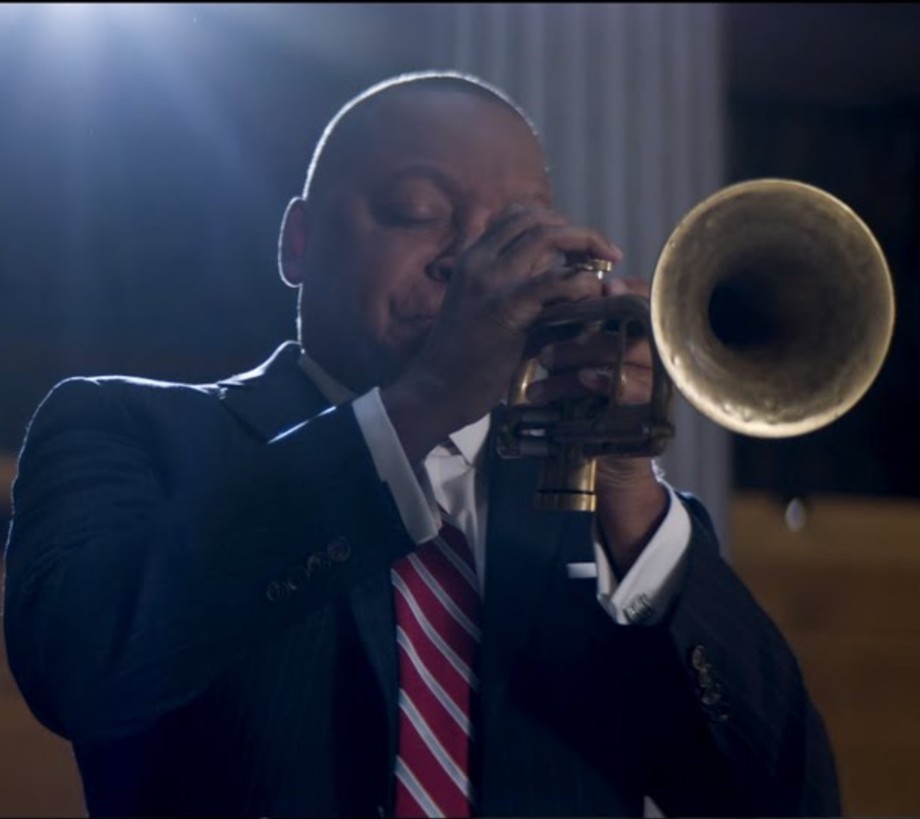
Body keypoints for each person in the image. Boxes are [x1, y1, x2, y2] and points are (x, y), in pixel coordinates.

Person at [3, 70, 839, 817]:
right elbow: (83, 666)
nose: (470, 262)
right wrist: (427, 399)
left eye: (512, 231)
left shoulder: (607, 516)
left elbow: (789, 801)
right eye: (416, 213)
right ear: (297, 242)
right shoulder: (123, 427)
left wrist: (629, 492)